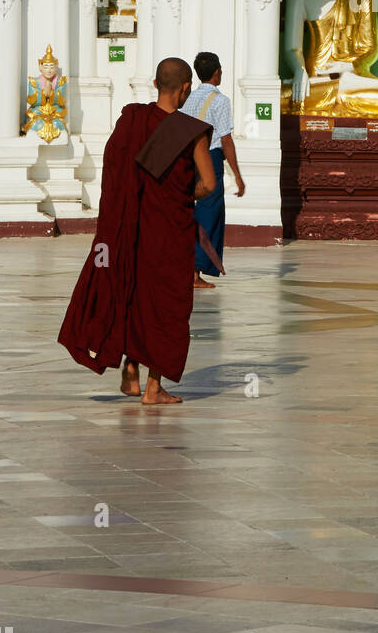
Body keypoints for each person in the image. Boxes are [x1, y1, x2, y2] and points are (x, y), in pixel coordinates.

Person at [57, 58, 217, 406]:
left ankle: (131, 370)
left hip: (130, 230)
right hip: (169, 232)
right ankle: (153, 388)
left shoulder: (131, 120)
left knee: (135, 293)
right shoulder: (190, 132)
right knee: (165, 305)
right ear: (186, 88)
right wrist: (186, 193)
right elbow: (208, 183)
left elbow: (119, 176)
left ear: (156, 83)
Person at [182, 51, 245, 288]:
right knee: (209, 214)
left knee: (188, 212)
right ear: (217, 73)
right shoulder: (220, 101)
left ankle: (185, 266)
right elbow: (226, 139)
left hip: (186, 157)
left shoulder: (187, 98)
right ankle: (194, 273)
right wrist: (237, 176)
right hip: (210, 157)